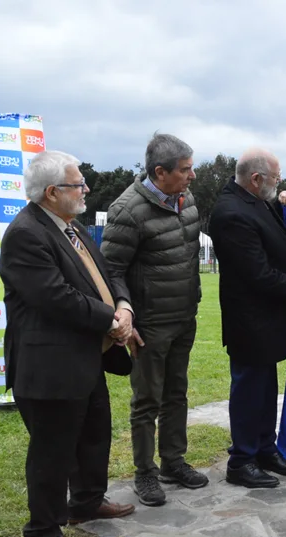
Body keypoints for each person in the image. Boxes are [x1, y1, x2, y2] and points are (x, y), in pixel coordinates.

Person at [0, 150, 135, 537]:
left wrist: (124, 306)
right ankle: (42, 531)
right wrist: (111, 319)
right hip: (49, 365)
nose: (86, 189)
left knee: (93, 433)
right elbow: (55, 297)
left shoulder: (68, 228)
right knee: (52, 450)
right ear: (53, 191)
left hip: (86, 355)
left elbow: (108, 273)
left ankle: (87, 502)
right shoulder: (27, 232)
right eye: (78, 184)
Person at [208, 148, 286, 489]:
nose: (278, 183)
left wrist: (284, 203)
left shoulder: (254, 201)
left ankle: (264, 448)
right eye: (275, 179)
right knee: (249, 389)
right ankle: (241, 460)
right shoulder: (231, 213)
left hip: (268, 319)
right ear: (256, 179)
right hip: (250, 320)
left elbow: (270, 227)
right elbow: (257, 274)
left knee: (264, 388)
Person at [101, 133, 206, 507]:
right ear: (160, 173)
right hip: (148, 325)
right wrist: (127, 313)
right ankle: (144, 473)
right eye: (185, 170)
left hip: (183, 317)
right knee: (147, 400)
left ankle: (173, 462)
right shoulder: (127, 210)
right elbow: (111, 269)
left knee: (176, 393)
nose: (192, 176)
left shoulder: (187, 200)